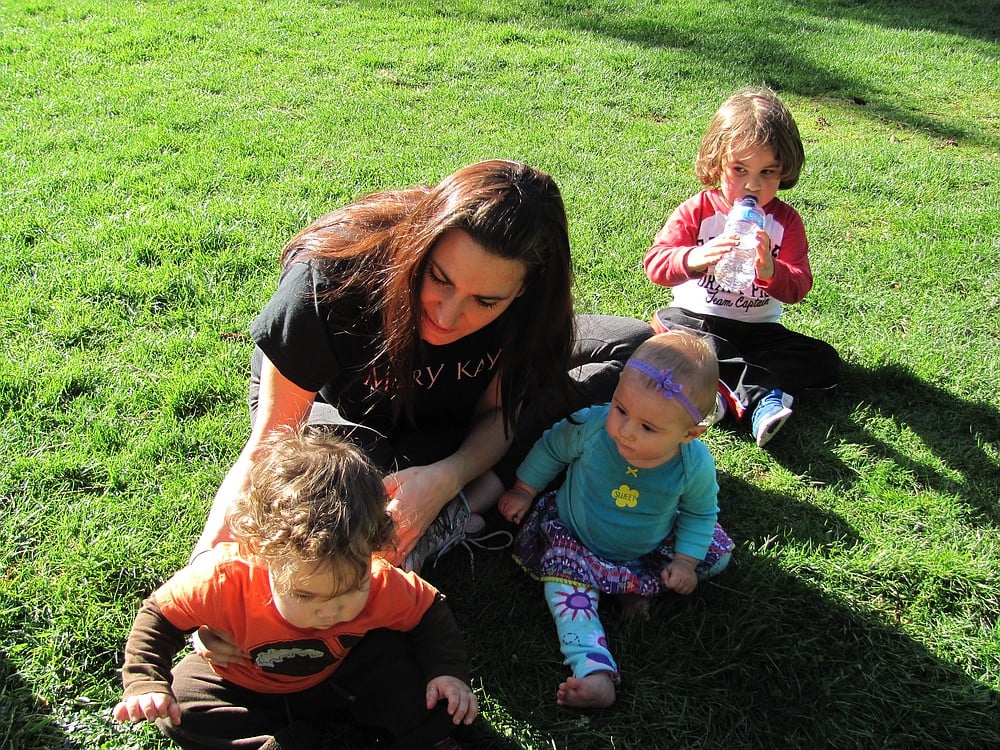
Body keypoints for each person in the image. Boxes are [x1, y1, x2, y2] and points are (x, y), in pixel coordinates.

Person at [193, 159, 652, 574]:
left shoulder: (532, 312)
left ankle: (454, 494)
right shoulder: (330, 279)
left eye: (485, 301)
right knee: (337, 497)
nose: (447, 316)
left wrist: (447, 476)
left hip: (456, 423)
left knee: (639, 354)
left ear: (524, 292)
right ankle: (457, 490)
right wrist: (206, 565)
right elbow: (270, 443)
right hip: (345, 420)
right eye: (439, 278)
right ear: (420, 246)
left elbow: (497, 414)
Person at [113, 428, 477, 750]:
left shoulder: (381, 580)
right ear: (263, 552)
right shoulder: (225, 578)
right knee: (183, 704)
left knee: (412, 682)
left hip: (341, 674)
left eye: (352, 588)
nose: (332, 610)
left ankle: (430, 738)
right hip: (245, 681)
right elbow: (159, 615)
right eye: (305, 595)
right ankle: (274, 742)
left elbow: (429, 610)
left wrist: (446, 670)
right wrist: (146, 682)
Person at [497, 331, 734, 710]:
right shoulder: (592, 427)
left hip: (648, 548)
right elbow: (553, 447)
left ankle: (632, 587)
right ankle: (593, 669)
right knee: (565, 595)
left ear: (689, 434)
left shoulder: (693, 464)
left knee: (716, 555)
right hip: (577, 539)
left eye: (648, 427)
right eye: (621, 409)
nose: (625, 429)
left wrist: (686, 561)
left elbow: (700, 512)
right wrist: (525, 489)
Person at [643, 87, 840, 448]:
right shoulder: (698, 211)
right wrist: (693, 259)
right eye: (739, 170)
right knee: (676, 338)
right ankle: (763, 397)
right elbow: (656, 263)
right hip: (696, 319)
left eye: (768, 172)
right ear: (717, 163)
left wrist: (770, 270)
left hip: (758, 331)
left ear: (785, 172)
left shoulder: (786, 222)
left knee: (824, 362)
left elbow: (798, 285)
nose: (753, 184)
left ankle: (716, 392)